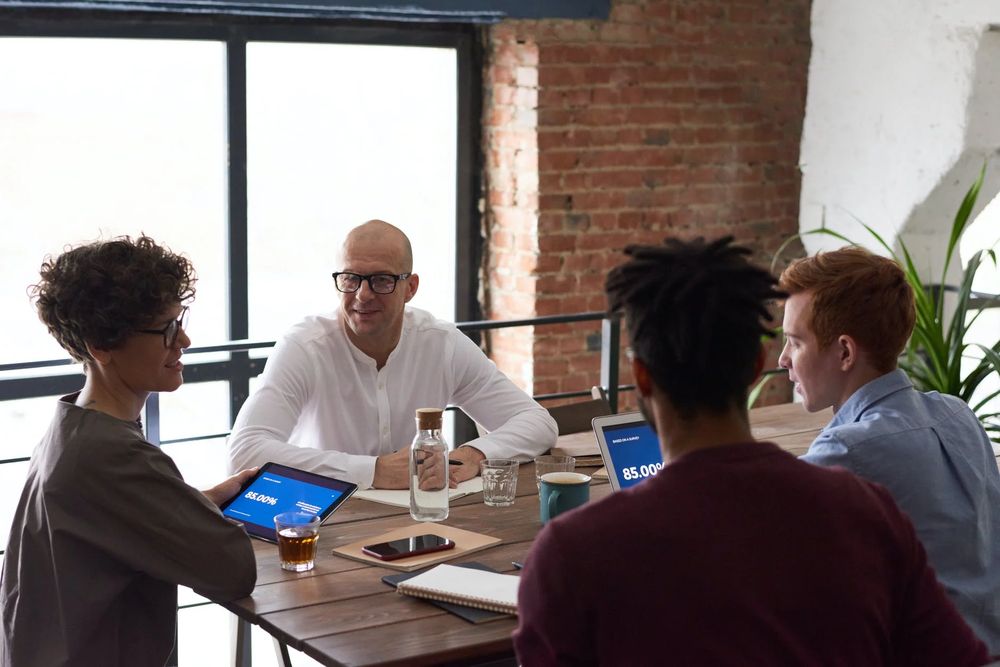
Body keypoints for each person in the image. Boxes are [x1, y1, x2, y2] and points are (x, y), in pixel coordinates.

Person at [513, 237, 989, 665]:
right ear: (754, 366)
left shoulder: (569, 555)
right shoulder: (932, 439)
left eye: (794, 342)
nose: (785, 358)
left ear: (641, 376)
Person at [0, 236, 257, 667]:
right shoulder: (111, 455)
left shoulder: (71, 426)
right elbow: (234, 569)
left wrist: (195, 503)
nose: (184, 340)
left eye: (180, 321)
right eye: (166, 329)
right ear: (100, 346)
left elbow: (111, 521)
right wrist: (197, 516)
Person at [779, 245, 1000, 653]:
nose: (783, 359)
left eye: (795, 342)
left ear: (845, 352)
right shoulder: (957, 413)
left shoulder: (846, 451)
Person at [228, 219, 557, 489]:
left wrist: (472, 455)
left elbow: (538, 423)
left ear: (410, 287)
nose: (362, 295)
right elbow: (244, 452)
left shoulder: (440, 343)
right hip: (322, 520)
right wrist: (373, 471)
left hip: (416, 520)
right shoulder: (304, 347)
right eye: (351, 279)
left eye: (381, 280)